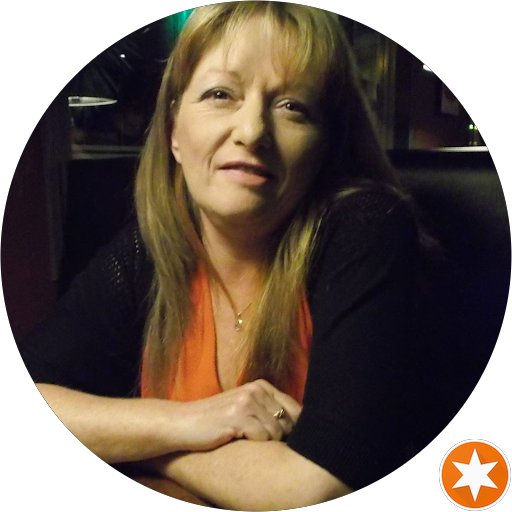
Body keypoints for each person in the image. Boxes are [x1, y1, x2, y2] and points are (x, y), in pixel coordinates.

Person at [18, 3, 437, 509]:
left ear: (326, 148)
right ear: (174, 132)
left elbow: (319, 487)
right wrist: (187, 422)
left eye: (292, 106)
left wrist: (145, 450)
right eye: (220, 94)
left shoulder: (366, 226)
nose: (252, 131)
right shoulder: (149, 250)